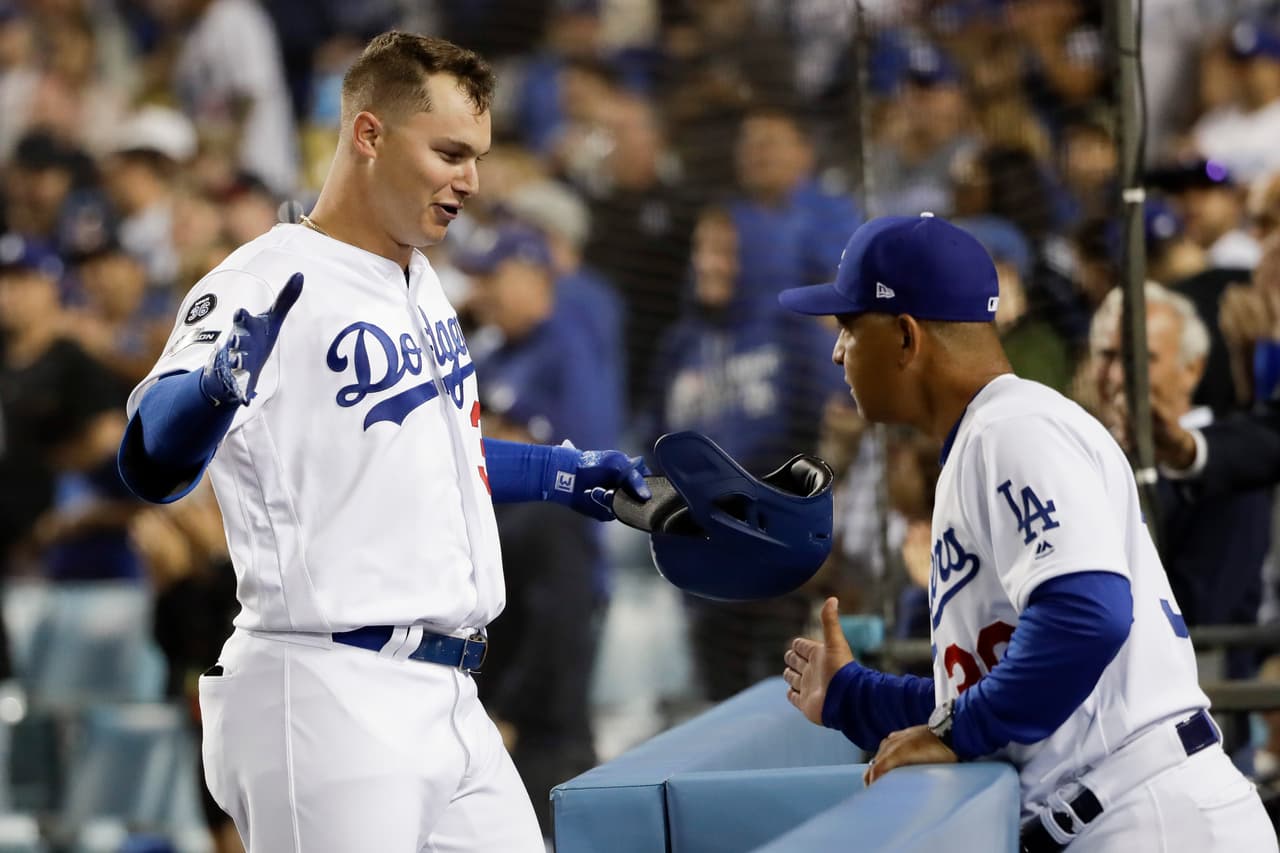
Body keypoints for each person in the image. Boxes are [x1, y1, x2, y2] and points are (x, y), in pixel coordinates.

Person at [115, 32, 649, 852]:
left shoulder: (421, 278)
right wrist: (214, 386)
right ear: (368, 134)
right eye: (448, 151)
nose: (470, 178)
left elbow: (435, 454)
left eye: (477, 155)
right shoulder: (264, 280)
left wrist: (559, 472)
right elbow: (150, 461)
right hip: (324, 690)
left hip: (450, 692)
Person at [779, 214, 1274, 851]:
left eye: (850, 327)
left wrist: (956, 734)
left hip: (1147, 815)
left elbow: (1085, 615)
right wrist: (854, 697)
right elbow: (1003, 691)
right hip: (1128, 809)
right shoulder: (988, 437)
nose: (837, 351)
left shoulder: (1011, 429)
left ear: (906, 337)